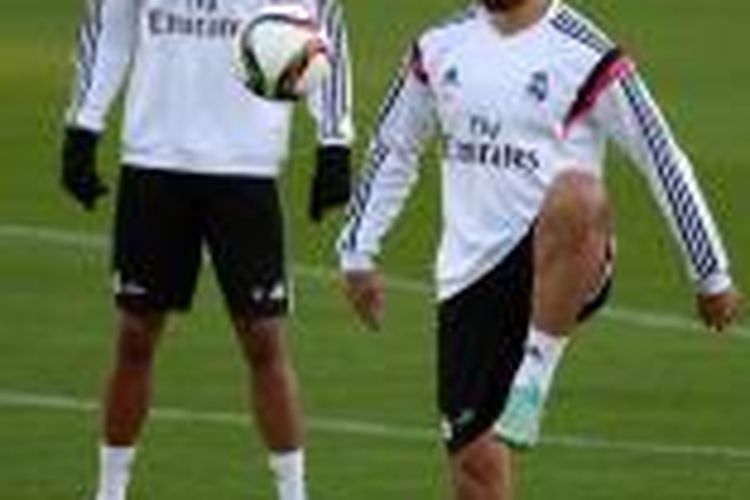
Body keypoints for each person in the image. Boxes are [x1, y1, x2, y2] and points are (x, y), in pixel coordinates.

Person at [337, 0, 741, 499]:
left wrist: (710, 272)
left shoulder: (586, 52)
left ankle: (534, 376)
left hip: (561, 256)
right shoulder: (438, 46)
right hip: (469, 275)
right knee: (475, 473)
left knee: (579, 194)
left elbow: (661, 157)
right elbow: (393, 147)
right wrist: (358, 251)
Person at [60, 0, 353, 499]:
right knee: (135, 335)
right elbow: (107, 28)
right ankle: (109, 492)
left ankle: (293, 494)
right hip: (155, 156)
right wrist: (83, 126)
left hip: (247, 164)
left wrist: (334, 140)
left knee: (263, 337)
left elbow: (324, 34)